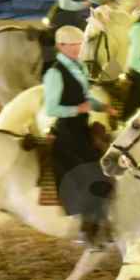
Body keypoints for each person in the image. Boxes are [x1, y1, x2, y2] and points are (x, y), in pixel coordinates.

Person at [43, 26, 115, 247]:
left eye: (78, 44)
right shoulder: (54, 73)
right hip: (66, 132)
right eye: (70, 45)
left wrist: (101, 107)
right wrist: (78, 110)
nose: (76, 49)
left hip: (82, 128)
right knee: (90, 175)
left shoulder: (80, 67)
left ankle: (99, 219)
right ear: (60, 47)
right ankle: (87, 227)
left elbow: (85, 99)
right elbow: (52, 109)